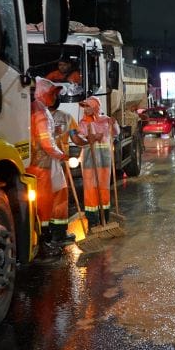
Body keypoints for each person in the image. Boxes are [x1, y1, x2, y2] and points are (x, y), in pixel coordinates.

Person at [27, 78, 76, 248]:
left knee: (56, 196)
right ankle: (45, 239)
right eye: (52, 93)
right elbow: (46, 141)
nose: (55, 97)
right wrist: (60, 155)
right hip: (42, 164)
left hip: (44, 162)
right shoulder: (40, 111)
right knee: (45, 201)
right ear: (43, 93)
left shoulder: (39, 109)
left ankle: (54, 234)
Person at [76, 96, 119, 229]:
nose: (85, 109)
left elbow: (116, 133)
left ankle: (104, 218)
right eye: (84, 106)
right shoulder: (83, 123)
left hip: (105, 162)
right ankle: (92, 221)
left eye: (88, 106)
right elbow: (79, 139)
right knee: (90, 191)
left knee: (104, 190)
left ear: (95, 107)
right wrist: (92, 138)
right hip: (89, 162)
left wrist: (114, 123)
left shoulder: (106, 120)